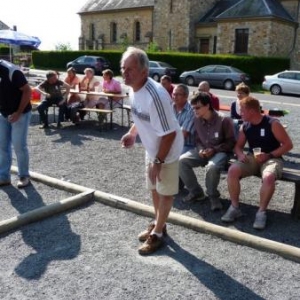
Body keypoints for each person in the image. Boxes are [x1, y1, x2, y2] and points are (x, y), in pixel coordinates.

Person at [120, 47, 184, 255]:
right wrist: (132, 134)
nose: (125, 73)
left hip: (168, 149)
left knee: (165, 191)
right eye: (123, 68)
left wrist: (158, 162)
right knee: (154, 188)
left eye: (130, 69)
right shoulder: (133, 89)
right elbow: (140, 117)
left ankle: (157, 235)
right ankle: (159, 224)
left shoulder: (155, 96)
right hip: (152, 146)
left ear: (144, 72)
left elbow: (170, 134)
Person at [221, 96, 293, 229]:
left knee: (269, 177)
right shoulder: (245, 126)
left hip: (272, 158)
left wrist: (269, 155)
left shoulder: (273, 123)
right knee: (232, 170)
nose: (240, 113)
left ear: (252, 111)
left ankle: (261, 212)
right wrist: (241, 155)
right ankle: (235, 207)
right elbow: (238, 147)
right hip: (253, 157)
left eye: (242, 110)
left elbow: (288, 145)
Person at [179, 91, 235, 211]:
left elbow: (231, 143)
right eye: (193, 108)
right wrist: (200, 149)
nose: (195, 111)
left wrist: (214, 149)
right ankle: (196, 192)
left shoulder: (224, 120)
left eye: (197, 108)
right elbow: (197, 140)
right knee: (181, 161)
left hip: (221, 152)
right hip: (203, 150)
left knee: (212, 167)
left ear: (208, 106)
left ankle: (213, 197)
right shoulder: (197, 119)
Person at [0, 59, 32, 188]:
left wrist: (18, 112)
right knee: (2, 145)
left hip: (21, 113)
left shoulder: (11, 71)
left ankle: (24, 176)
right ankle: (3, 177)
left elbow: (27, 90)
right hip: (3, 113)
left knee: (19, 146)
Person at [172, 84, 195, 154]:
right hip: (170, 142)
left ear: (186, 96)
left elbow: (183, 134)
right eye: (173, 94)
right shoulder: (169, 107)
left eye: (178, 94)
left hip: (187, 145)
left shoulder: (192, 110)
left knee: (174, 159)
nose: (175, 97)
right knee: (156, 156)